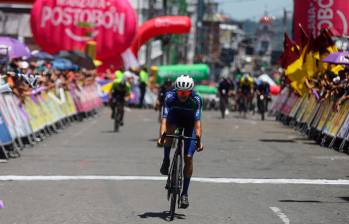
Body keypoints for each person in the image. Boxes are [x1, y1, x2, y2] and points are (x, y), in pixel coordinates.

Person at [158, 75, 204, 209]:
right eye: (180, 92)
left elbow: (198, 124)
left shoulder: (196, 99)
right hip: (174, 119)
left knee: (188, 157)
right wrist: (162, 136)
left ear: (191, 91)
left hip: (190, 124)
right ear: (176, 90)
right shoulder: (169, 97)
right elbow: (164, 120)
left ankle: (184, 193)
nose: (183, 95)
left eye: (186, 92)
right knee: (169, 133)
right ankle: (166, 160)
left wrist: (199, 140)